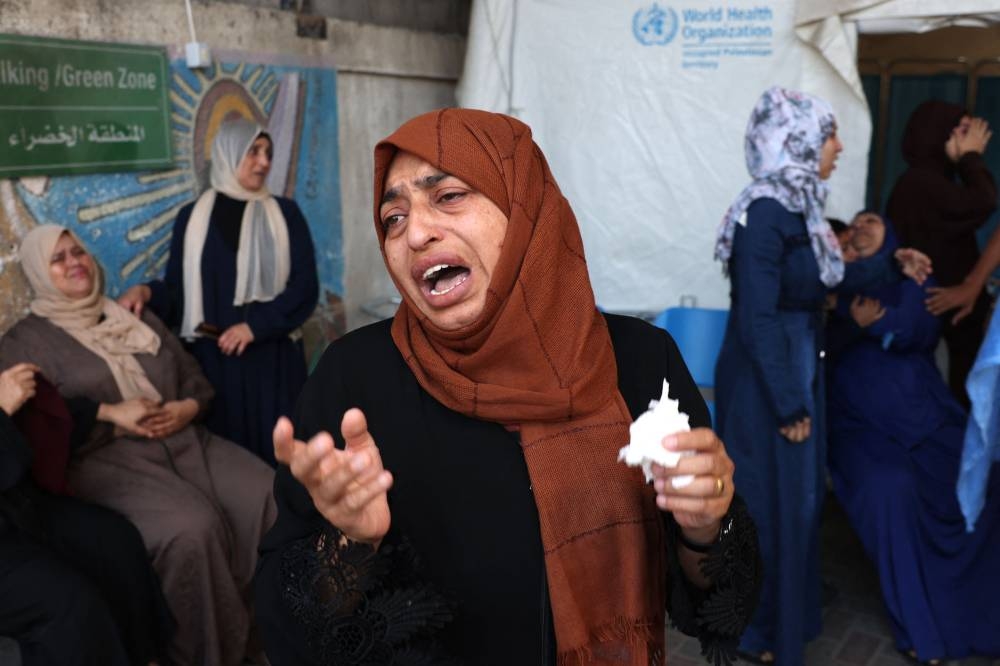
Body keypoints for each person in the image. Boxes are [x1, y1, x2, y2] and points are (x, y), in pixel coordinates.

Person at [255, 108, 763, 665]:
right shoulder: (354, 379)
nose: (415, 233)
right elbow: (284, 622)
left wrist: (705, 525)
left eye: (448, 196)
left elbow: (717, 598)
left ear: (524, 207)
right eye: (393, 218)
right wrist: (352, 544)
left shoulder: (641, 361)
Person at [712, 87, 931, 666]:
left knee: (800, 504)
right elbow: (757, 317)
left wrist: (892, 264)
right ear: (799, 139)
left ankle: (785, 620)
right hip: (767, 380)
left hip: (795, 364)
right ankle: (756, 630)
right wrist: (788, 404)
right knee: (766, 505)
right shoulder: (764, 212)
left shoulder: (800, 207)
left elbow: (823, 282)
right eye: (829, 134)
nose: (838, 146)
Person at [0, 225, 277, 666]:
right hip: (106, 460)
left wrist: (188, 406)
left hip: (187, 440)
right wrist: (110, 416)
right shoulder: (24, 342)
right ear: (37, 272)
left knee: (267, 493)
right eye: (58, 258)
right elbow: (39, 427)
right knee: (191, 530)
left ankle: (269, 639)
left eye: (78, 252)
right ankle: (203, 656)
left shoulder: (132, 314)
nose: (74, 263)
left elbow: (193, 376)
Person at [826, 211, 1000, 664]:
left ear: (892, 235)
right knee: (889, 486)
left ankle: (981, 614)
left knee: (985, 476)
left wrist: (872, 321)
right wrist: (851, 316)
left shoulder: (914, 275)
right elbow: (825, 336)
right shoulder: (830, 283)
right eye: (854, 226)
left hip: (925, 416)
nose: (861, 226)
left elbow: (919, 327)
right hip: (859, 425)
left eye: (872, 220)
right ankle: (920, 629)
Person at [119, 118, 320, 465]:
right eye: (253, 151)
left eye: (268, 153)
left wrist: (255, 327)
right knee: (227, 461)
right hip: (214, 365)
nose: (264, 162)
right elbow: (178, 294)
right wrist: (145, 292)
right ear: (229, 153)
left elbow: (304, 288)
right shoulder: (192, 218)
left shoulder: (285, 214)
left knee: (284, 457)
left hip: (272, 361)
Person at [1, 365, 173, 666]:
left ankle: (146, 658)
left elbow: (34, 417)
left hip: (14, 504)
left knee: (114, 541)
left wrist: (107, 413)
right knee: (71, 602)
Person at [886, 100, 996, 407]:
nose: (971, 140)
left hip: (952, 310)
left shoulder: (937, 182)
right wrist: (971, 158)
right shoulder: (919, 182)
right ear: (936, 133)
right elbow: (983, 202)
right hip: (932, 312)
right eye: (962, 131)